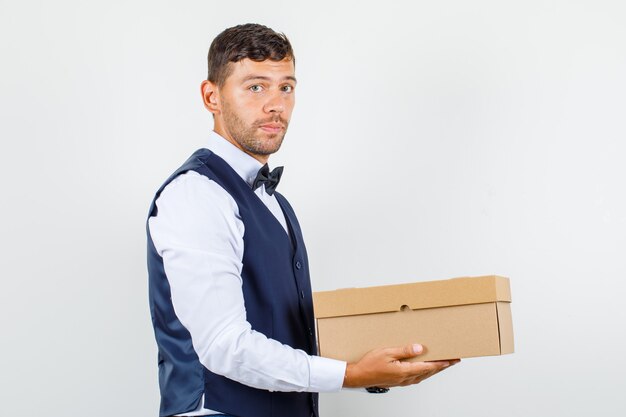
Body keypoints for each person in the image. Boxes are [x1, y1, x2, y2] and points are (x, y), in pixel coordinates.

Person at [147, 23, 459, 417]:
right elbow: (225, 346)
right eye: (256, 87)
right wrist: (349, 374)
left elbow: (285, 333)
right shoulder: (196, 194)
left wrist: (378, 369)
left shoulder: (277, 204)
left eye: (286, 87)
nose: (275, 104)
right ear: (212, 96)